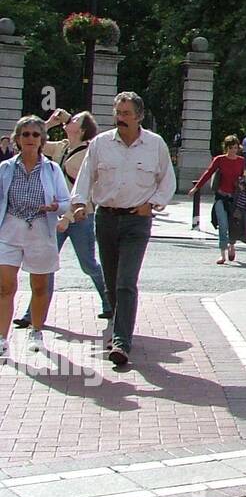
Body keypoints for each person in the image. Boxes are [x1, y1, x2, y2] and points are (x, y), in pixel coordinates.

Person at [69, 92, 176, 367]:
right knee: (112, 281)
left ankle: (121, 342)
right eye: (118, 112)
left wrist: (152, 204)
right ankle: (119, 327)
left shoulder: (155, 145)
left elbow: (167, 181)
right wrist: (80, 203)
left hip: (137, 221)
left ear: (139, 116)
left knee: (127, 281)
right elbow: (85, 176)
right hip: (106, 218)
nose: (121, 118)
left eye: (126, 113)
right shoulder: (101, 144)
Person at [12, 109, 112, 327]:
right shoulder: (62, 146)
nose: (69, 119)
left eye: (75, 119)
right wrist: (50, 122)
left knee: (88, 264)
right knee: (45, 265)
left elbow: (81, 190)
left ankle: (109, 301)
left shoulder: (88, 152)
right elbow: (32, 141)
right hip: (55, 216)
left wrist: (67, 217)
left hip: (79, 215)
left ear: (84, 129)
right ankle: (32, 315)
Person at [0, 116, 71, 358]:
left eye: (35, 135)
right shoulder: (6, 168)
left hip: (40, 230)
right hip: (10, 229)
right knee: (5, 285)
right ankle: (2, 338)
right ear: (18, 139)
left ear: (42, 139)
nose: (30, 139)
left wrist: (55, 208)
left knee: (39, 285)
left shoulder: (51, 169)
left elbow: (65, 201)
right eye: (25, 134)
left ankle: (36, 331)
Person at [189, 135, 246, 264]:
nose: (233, 151)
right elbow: (208, 173)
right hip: (221, 197)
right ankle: (222, 254)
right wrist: (196, 188)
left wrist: (243, 184)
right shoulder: (219, 160)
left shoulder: (241, 161)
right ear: (226, 148)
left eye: (235, 148)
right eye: (230, 148)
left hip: (235, 198)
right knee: (223, 225)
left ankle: (232, 245)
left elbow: (243, 177)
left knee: (233, 225)